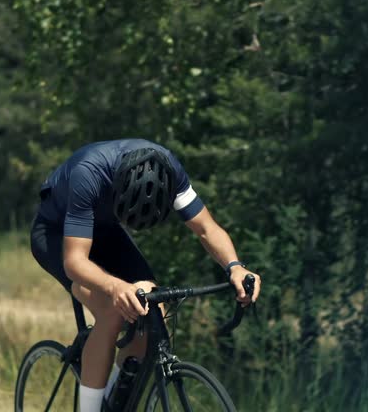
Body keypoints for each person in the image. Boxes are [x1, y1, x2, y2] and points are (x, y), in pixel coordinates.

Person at [30, 139, 261, 412]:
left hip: (106, 230)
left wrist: (234, 266)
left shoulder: (170, 171)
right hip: (56, 234)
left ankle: (114, 398)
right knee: (111, 309)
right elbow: (75, 261)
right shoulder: (89, 174)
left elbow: (207, 229)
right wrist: (115, 287)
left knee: (152, 309)